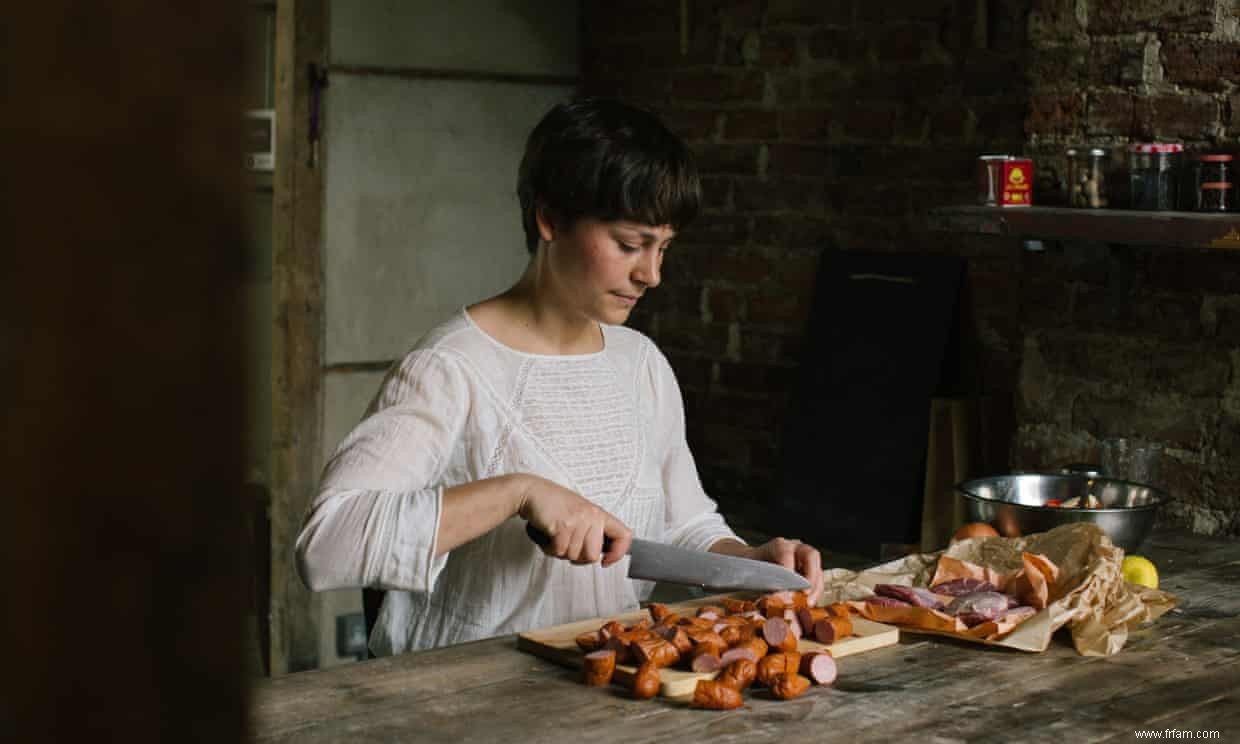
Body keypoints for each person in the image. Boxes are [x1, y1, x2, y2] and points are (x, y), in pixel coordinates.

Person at [295, 98, 825, 656]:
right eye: (629, 244)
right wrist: (516, 492)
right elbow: (326, 544)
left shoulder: (639, 363)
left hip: (605, 686)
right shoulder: (450, 368)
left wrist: (749, 562)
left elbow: (684, 521)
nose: (652, 274)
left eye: (663, 247)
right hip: (458, 703)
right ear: (549, 218)